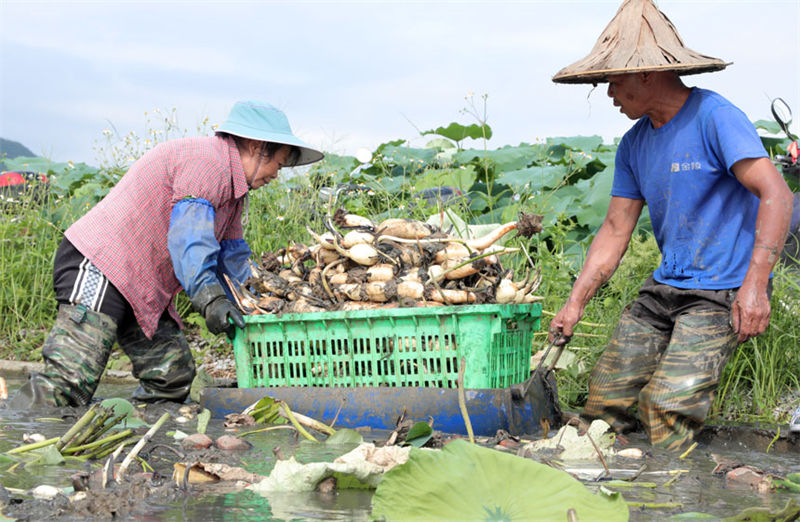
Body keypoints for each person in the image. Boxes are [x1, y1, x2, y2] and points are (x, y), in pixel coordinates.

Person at [549, 0, 794, 449]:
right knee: (603, 405)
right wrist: (574, 303)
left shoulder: (715, 117)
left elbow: (777, 194)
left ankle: (677, 496)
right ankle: (616, 493)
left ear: (646, 73)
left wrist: (756, 285)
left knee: (665, 406)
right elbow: (615, 230)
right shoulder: (634, 144)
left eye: (614, 81)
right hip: (667, 287)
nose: (609, 94)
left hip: (723, 289)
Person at [10, 101, 323, 408]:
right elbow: (190, 240)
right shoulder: (208, 162)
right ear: (256, 146)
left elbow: (231, 258)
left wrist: (256, 305)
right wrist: (211, 299)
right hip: (100, 265)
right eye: (277, 165)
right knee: (68, 382)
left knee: (171, 381)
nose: (275, 175)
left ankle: (137, 438)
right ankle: (21, 430)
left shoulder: (234, 192)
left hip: (141, 283)